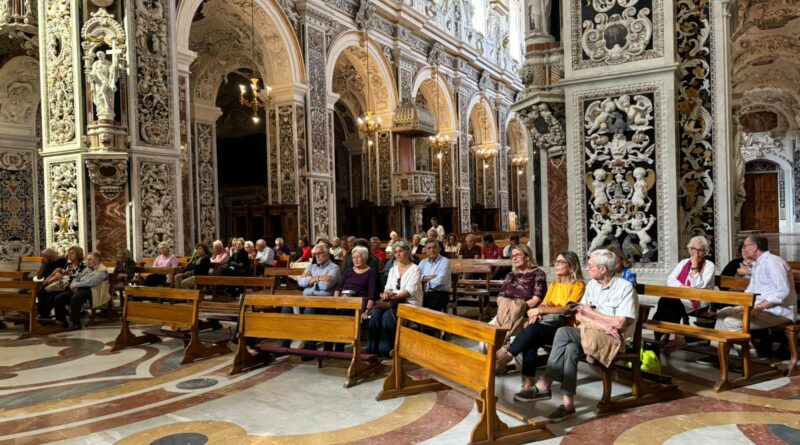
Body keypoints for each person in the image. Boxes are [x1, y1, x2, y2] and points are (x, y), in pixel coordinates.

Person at [520, 249, 638, 424]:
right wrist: (602, 323)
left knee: (563, 332)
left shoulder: (624, 287)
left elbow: (620, 323)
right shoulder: (592, 285)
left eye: (590, 266)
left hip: (613, 339)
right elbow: (579, 315)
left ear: (603, 269)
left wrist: (593, 315)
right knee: (570, 347)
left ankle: (545, 383)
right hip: (591, 332)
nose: (587, 268)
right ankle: (568, 405)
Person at [700, 235, 797, 364]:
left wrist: (759, 307)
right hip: (760, 308)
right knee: (723, 314)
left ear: (754, 247)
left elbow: (782, 291)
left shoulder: (773, 262)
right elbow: (751, 290)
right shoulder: (758, 263)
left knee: (731, 322)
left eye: (745, 246)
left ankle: (751, 361)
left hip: (779, 311)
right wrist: (742, 305)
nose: (743, 249)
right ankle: (718, 355)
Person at [497, 251, 585, 388]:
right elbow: (544, 303)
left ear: (571, 266)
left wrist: (541, 310)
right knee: (531, 338)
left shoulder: (578, 285)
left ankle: (507, 356)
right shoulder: (555, 284)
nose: (556, 265)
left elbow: (568, 309)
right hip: (549, 323)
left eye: (561, 262)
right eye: (556, 262)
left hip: (565, 328)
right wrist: (539, 312)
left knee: (532, 330)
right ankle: (528, 380)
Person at [652, 236, 715, 350]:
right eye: (693, 249)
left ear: (705, 252)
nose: (696, 253)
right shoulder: (684, 262)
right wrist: (683, 287)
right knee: (664, 300)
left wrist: (695, 266)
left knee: (670, 304)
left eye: (700, 250)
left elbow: (699, 286)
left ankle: (667, 338)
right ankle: (666, 337)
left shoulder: (709, 265)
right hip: (680, 296)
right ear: (689, 250)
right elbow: (670, 279)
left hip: (699, 300)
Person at [278, 243, 341, 350]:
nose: (317, 256)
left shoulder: (334, 268)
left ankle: (309, 346)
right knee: (286, 308)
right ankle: (283, 345)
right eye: (315, 254)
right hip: (306, 299)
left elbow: (326, 285)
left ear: (327, 254)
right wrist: (318, 278)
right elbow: (301, 282)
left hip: (323, 302)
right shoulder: (311, 266)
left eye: (319, 253)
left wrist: (310, 280)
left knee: (309, 310)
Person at [369, 241, 422, 358]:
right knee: (376, 313)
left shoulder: (415, 269)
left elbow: (409, 291)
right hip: (393, 301)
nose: (398, 254)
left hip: (409, 302)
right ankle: (373, 351)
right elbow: (388, 287)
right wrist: (386, 293)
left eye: (401, 251)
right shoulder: (393, 269)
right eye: (396, 252)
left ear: (408, 253)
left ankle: (388, 350)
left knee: (388, 315)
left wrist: (393, 297)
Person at [490, 244, 547, 350]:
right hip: (504, 313)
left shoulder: (538, 274)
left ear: (528, 256)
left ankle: (500, 359)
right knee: (484, 341)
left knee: (508, 341)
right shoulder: (511, 275)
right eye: (512, 256)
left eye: (518, 255)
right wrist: (509, 309)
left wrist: (516, 309)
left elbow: (536, 299)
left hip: (523, 314)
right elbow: (500, 297)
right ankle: (493, 365)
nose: (514, 258)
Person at [52, 252, 110, 330]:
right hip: (79, 288)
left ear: (97, 260)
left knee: (75, 298)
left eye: (90, 259)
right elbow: (77, 277)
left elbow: (92, 282)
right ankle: (61, 322)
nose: (87, 261)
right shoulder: (87, 268)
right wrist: (73, 285)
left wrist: (77, 285)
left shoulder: (102, 270)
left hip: (92, 290)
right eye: (87, 260)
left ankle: (76, 324)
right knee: (59, 298)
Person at [38, 246, 86, 319]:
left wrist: (61, 277)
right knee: (44, 292)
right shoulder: (68, 265)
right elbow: (62, 272)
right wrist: (57, 275)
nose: (69, 255)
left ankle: (61, 320)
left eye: (72, 253)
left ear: (78, 255)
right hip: (62, 285)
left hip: (73, 287)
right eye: (69, 253)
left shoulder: (83, 265)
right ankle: (44, 316)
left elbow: (77, 278)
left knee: (56, 297)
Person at [418, 239, 451, 312]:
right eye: (429, 248)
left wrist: (424, 282)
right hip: (424, 292)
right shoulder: (422, 263)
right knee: (410, 303)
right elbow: (416, 277)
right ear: (425, 250)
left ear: (439, 249)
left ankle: (429, 323)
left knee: (433, 305)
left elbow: (440, 280)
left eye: (434, 247)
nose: (432, 250)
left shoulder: (445, 261)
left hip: (440, 293)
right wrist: (429, 277)